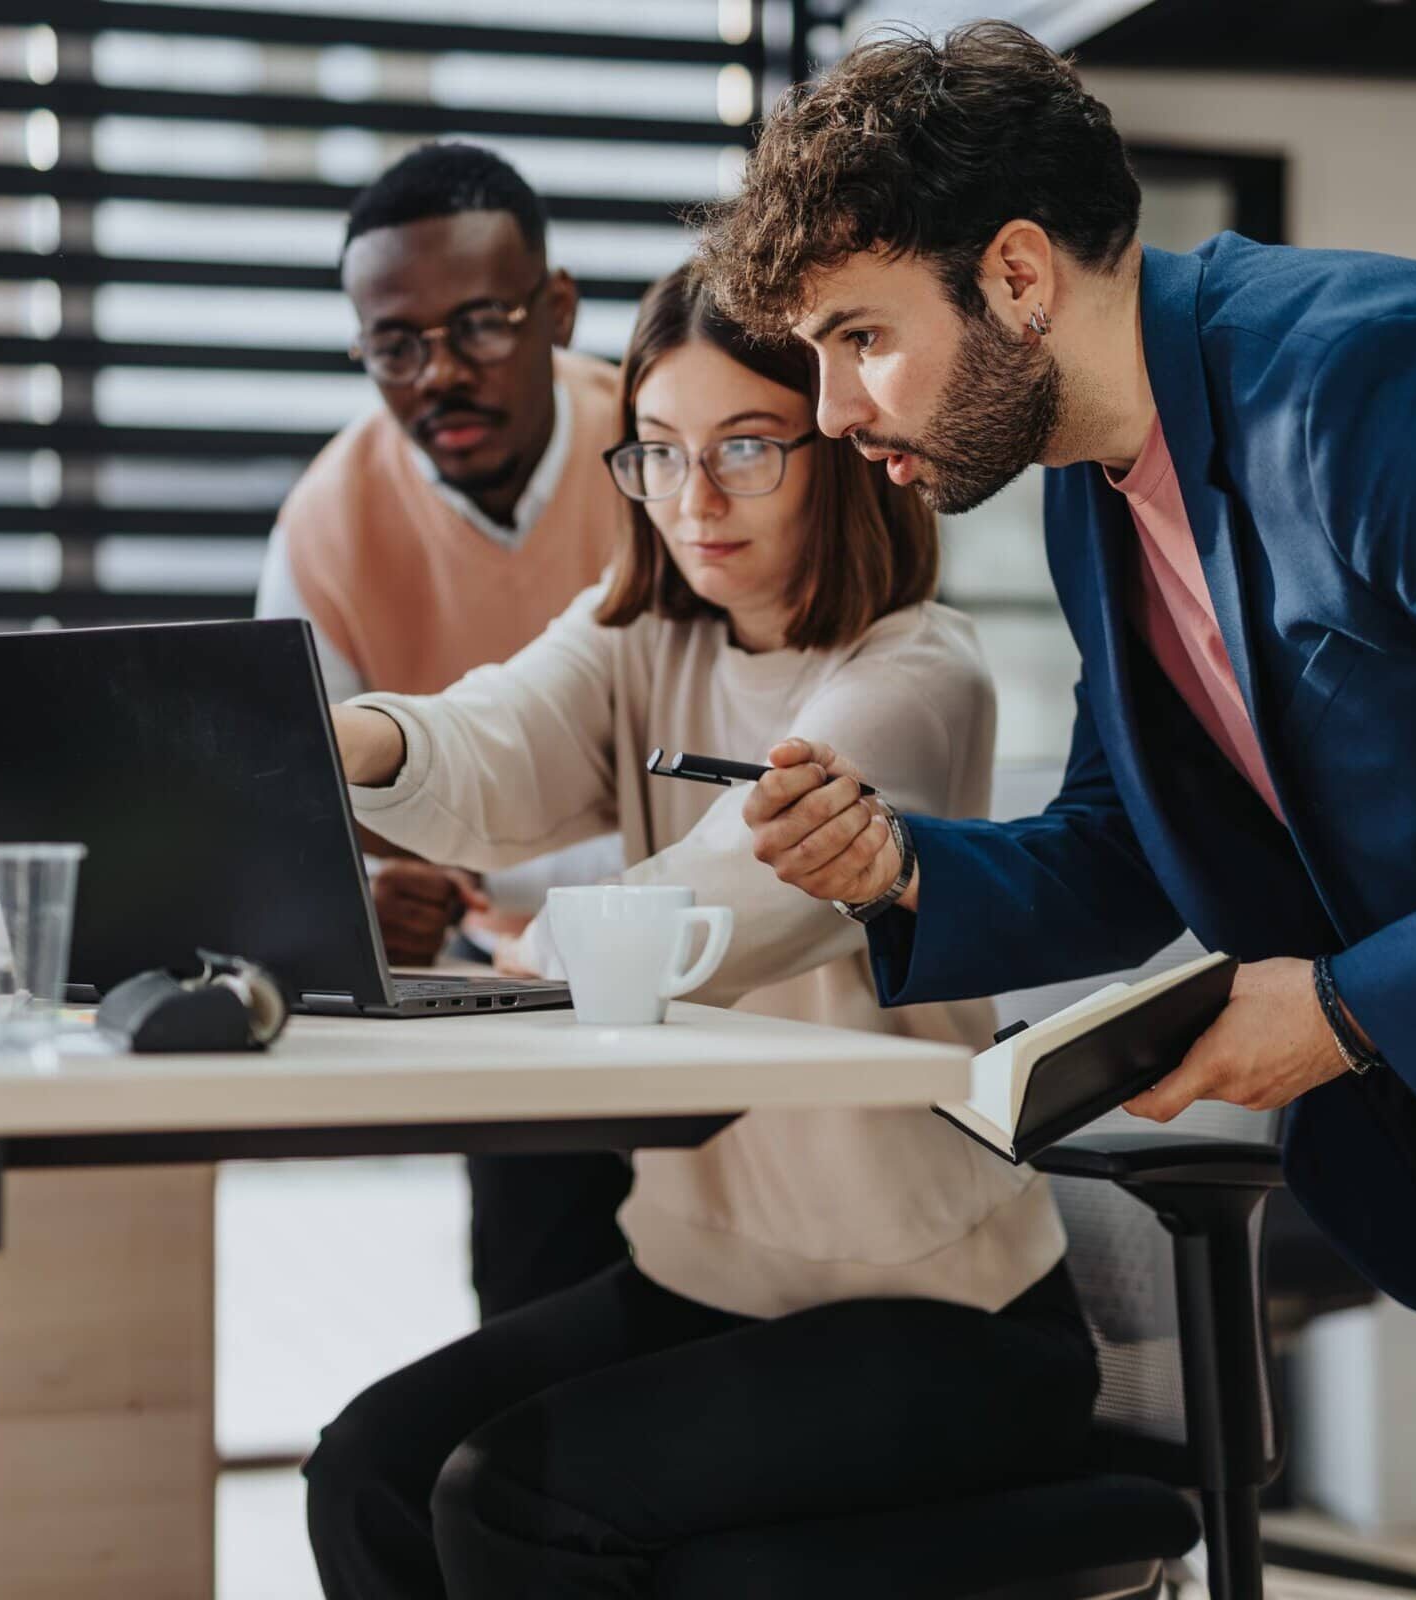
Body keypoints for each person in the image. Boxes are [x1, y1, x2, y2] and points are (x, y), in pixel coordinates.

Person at [302, 266, 1099, 1598]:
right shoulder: (639, 638)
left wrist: (540, 951)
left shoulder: (915, 675)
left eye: (743, 448)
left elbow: (734, 904)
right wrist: (343, 739)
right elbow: (491, 740)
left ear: (840, 447)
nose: (694, 499)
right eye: (659, 454)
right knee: (367, 1470)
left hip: (944, 1320)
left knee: (517, 1505)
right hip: (705, 1282)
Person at [702, 21, 1416, 1311]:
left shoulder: (1358, 383)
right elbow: (1125, 841)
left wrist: (1344, 1008)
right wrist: (901, 866)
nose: (829, 412)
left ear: (1017, 275)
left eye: (858, 337)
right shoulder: (1085, 486)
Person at [257, 141, 632, 1321]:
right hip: (501, 996)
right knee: (531, 1322)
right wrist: (356, 898)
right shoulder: (329, 521)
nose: (436, 377)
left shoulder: (673, 457)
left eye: (479, 326)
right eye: (395, 346)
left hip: (705, 954)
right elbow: (283, 805)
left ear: (556, 311)